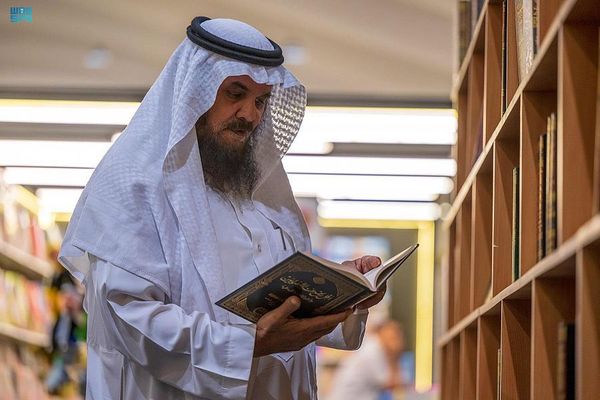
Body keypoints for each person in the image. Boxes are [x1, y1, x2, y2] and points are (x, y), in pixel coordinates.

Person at [58, 16, 386, 399]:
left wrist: (340, 290)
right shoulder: (135, 185)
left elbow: (283, 304)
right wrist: (249, 344)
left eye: (260, 101)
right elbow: (128, 317)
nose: (251, 115)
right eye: (235, 93)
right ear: (196, 91)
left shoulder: (259, 196)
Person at [327, 320, 405, 400]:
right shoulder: (373, 351)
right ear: (382, 332)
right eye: (393, 337)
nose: (396, 341)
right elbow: (391, 384)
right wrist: (395, 356)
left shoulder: (373, 345)